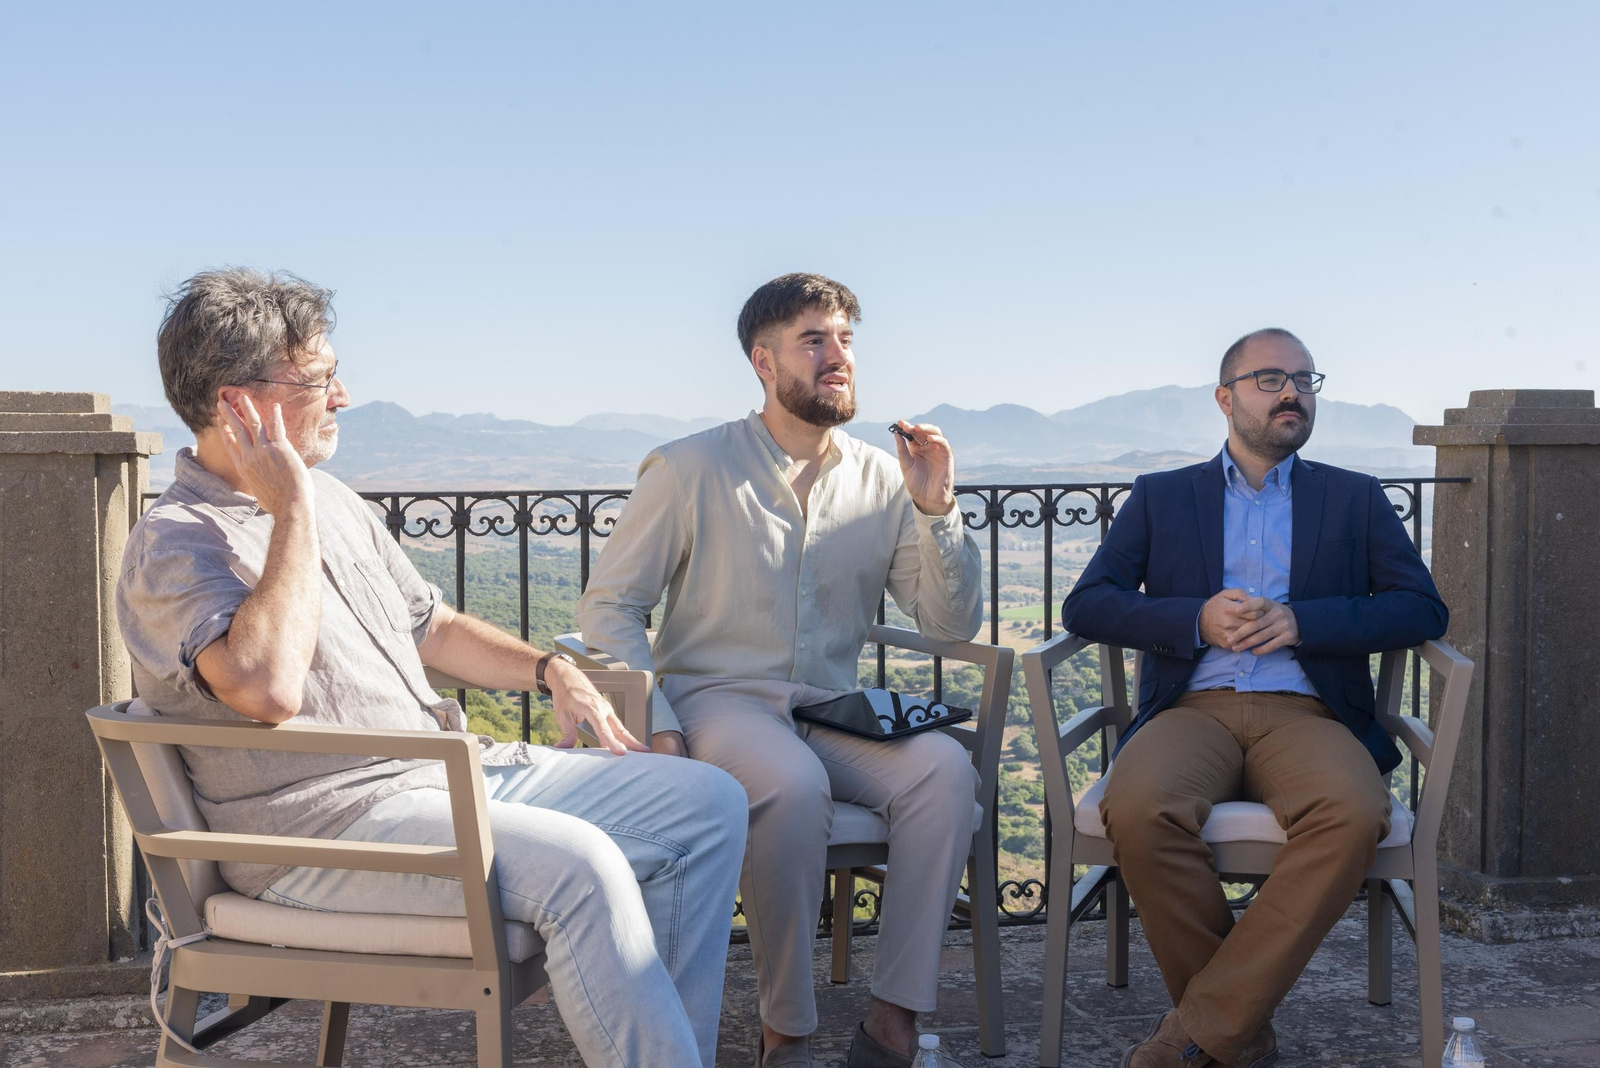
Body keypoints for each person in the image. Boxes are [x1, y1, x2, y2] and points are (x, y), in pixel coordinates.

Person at [117, 268, 746, 1068]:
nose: (342, 397)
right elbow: (266, 688)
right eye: (319, 380)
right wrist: (292, 507)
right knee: (582, 868)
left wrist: (549, 669)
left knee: (708, 802)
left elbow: (432, 627)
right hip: (321, 833)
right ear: (239, 404)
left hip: (439, 781)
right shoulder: (176, 542)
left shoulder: (336, 502)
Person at [577, 273, 984, 1068]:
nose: (839, 357)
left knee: (944, 771)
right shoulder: (689, 467)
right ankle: (786, 1036)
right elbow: (610, 606)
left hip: (831, 707)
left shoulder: (884, 479)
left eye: (846, 340)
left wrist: (937, 510)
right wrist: (655, 722)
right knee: (792, 787)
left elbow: (949, 623)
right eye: (814, 340)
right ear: (763, 362)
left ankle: (893, 1025)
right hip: (717, 701)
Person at [1060, 328, 1449, 1068]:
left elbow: (1423, 609)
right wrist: (1193, 619)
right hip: (1191, 707)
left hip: (1307, 711)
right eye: (1270, 378)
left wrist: (1306, 623)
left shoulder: (1355, 497)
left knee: (1353, 812)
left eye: (1304, 379)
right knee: (1138, 808)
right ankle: (1239, 1033)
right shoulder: (1162, 496)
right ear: (1225, 397)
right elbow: (1087, 604)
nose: (1292, 392)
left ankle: (1199, 1034)